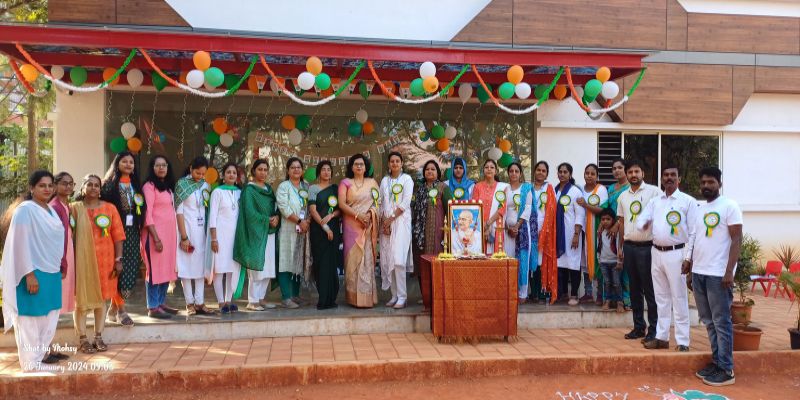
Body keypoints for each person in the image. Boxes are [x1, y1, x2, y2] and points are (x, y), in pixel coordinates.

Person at [1, 171, 65, 370]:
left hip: (51, 271)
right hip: (32, 271)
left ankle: (39, 358)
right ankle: (30, 363)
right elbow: (20, 244)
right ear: (32, 188)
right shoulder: (25, 210)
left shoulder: (51, 210)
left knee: (49, 314)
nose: (47, 189)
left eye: (50, 185)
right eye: (41, 185)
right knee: (30, 316)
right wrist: (29, 274)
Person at [684, 167, 742, 387]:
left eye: (711, 182)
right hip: (700, 273)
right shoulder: (700, 209)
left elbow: (736, 239)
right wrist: (690, 268)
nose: (706, 186)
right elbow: (695, 238)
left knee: (721, 322)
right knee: (708, 321)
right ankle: (717, 362)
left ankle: (726, 369)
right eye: (703, 182)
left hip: (718, 275)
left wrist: (729, 271)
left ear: (720, 184)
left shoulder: (730, 206)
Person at [637, 166, 697, 351]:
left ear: (679, 179)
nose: (669, 178)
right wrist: (643, 224)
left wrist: (688, 258)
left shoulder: (688, 201)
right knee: (661, 298)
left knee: (679, 298)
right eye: (666, 175)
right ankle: (661, 337)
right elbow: (641, 220)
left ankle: (683, 341)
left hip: (677, 254)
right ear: (662, 179)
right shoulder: (655, 201)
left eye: (673, 175)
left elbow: (694, 232)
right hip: (656, 252)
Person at [71, 174, 125, 354]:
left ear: (100, 190)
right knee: (81, 300)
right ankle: (82, 338)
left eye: (97, 185)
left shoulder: (110, 208)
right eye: (90, 184)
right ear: (82, 188)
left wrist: (118, 259)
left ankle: (98, 336)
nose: (93, 188)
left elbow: (118, 236)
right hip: (81, 261)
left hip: (105, 261)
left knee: (101, 299)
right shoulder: (74, 208)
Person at [617, 159, 661, 341]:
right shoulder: (622, 196)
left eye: (637, 171)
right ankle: (638, 327)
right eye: (630, 172)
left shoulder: (654, 192)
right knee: (634, 289)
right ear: (626, 175)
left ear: (643, 173)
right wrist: (620, 247)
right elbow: (621, 223)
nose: (633, 175)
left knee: (650, 289)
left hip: (648, 247)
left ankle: (654, 329)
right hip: (629, 247)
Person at [100, 151, 143, 326]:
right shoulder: (108, 186)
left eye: (131, 162)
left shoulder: (136, 185)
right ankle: (122, 310)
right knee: (117, 268)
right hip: (113, 233)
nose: (128, 164)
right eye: (124, 161)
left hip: (132, 233)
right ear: (117, 164)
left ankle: (113, 307)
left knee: (129, 268)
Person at [233, 159, 280, 311]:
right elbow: (249, 213)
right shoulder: (249, 190)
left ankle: (261, 298)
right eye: (260, 169)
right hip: (255, 233)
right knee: (256, 267)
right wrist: (267, 220)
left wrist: (276, 217)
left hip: (269, 232)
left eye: (265, 170)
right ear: (253, 171)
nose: (263, 172)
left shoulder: (269, 189)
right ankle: (252, 301)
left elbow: (275, 207)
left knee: (268, 268)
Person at [338, 154, 380, 308]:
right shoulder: (345, 183)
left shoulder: (372, 182)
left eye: (362, 164)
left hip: (367, 225)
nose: (359, 166)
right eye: (356, 164)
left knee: (366, 260)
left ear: (366, 167)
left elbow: (378, 201)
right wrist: (358, 215)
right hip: (351, 226)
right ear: (351, 166)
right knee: (353, 261)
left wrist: (370, 214)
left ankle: (366, 298)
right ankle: (353, 298)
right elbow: (342, 204)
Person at [141, 156, 179, 320]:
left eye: (164, 165)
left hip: (169, 237)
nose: (161, 168)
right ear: (152, 168)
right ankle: (153, 306)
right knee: (154, 271)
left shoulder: (168, 187)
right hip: (154, 236)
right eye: (158, 165)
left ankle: (161, 302)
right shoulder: (149, 187)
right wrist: (155, 238)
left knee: (166, 270)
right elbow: (147, 214)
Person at [175, 156, 214, 315]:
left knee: (199, 268)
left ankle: (200, 302)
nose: (200, 176)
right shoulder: (181, 184)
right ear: (191, 168)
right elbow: (179, 212)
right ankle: (189, 303)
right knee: (186, 267)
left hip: (201, 233)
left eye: (203, 174)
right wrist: (184, 237)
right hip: (187, 230)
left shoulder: (206, 185)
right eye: (198, 173)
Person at [411, 160, 450, 310]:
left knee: (436, 261)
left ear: (438, 172)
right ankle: (425, 296)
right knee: (421, 262)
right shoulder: (419, 189)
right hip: (420, 233)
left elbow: (450, 209)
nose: (430, 171)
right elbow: (412, 208)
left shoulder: (443, 188)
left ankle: (437, 296)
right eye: (427, 169)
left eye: (433, 169)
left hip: (437, 233)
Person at [379, 151, 414, 309]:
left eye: (397, 161)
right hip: (387, 225)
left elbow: (405, 202)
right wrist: (384, 223)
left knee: (399, 260)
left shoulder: (407, 179)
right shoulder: (384, 181)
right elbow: (380, 202)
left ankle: (402, 296)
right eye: (392, 161)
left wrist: (391, 219)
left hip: (401, 223)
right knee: (389, 260)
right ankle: (394, 295)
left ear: (402, 163)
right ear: (388, 164)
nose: (394, 163)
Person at [277, 157, 311, 308]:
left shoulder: (306, 186)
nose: (296, 170)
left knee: (298, 261)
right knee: (286, 262)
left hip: (303, 230)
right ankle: (286, 297)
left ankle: (295, 295)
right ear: (288, 170)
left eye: (299, 167)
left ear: (302, 170)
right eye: (293, 167)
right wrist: (299, 221)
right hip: (288, 230)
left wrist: (307, 221)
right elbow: (283, 207)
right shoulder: (284, 186)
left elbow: (311, 206)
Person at [208, 162, 242, 314]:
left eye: (234, 173)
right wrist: (214, 239)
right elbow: (212, 216)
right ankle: (221, 302)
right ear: (223, 175)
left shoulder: (240, 192)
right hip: (220, 236)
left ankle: (229, 300)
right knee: (219, 269)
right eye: (228, 172)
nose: (231, 175)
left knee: (231, 270)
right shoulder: (217, 192)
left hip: (236, 238)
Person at [309, 160, 342, 310]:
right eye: (323, 169)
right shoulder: (313, 188)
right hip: (319, 230)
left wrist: (332, 215)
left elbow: (341, 209)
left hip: (334, 230)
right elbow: (313, 210)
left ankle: (331, 299)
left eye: (329, 169)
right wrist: (325, 227)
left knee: (332, 264)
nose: (326, 172)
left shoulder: (336, 189)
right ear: (319, 172)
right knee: (321, 264)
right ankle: (322, 299)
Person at [503, 162, 537, 303]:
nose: (514, 173)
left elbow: (528, 209)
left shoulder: (526, 188)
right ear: (508, 173)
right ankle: (510, 291)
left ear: (521, 173)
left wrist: (516, 226)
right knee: (509, 260)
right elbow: (502, 209)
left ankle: (522, 293)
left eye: (516, 171)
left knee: (522, 261)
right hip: (507, 231)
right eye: (511, 171)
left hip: (522, 230)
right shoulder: (505, 189)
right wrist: (507, 227)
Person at [554, 163, 585, 305]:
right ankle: (563, 293)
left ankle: (574, 295)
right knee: (560, 264)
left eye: (565, 172)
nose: (562, 174)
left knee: (573, 264)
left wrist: (577, 234)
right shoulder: (554, 190)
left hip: (572, 233)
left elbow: (580, 214)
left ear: (570, 174)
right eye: (560, 172)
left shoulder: (575, 191)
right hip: (558, 234)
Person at [577, 164, 608, 305]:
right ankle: (588, 293)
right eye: (587, 173)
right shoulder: (579, 190)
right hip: (583, 231)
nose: (589, 176)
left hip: (596, 231)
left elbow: (603, 210)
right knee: (584, 261)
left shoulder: (601, 190)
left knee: (598, 260)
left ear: (597, 176)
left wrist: (586, 205)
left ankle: (600, 294)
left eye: (592, 173)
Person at [606, 158, 632, 311]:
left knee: (625, 266)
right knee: (612, 265)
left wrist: (617, 225)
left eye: (620, 168)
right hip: (611, 232)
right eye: (614, 168)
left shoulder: (630, 188)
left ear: (625, 169)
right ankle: (615, 299)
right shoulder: (610, 188)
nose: (617, 171)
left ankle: (627, 300)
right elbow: (607, 209)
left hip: (626, 229)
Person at [50, 172, 76, 316]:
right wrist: (62, 262)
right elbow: (56, 238)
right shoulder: (55, 207)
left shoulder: (65, 205)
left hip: (68, 251)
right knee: (58, 293)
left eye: (71, 183)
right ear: (55, 186)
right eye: (64, 183)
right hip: (61, 254)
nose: (68, 186)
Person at [471, 159, 508, 255]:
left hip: (496, 226)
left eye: (492, 167)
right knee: (480, 256)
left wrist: (488, 224)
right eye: (486, 167)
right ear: (483, 170)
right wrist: (484, 226)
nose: (489, 169)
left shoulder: (502, 188)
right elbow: (474, 207)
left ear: (496, 171)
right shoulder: (477, 187)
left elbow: (502, 209)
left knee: (496, 257)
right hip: (480, 227)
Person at [532, 161, 557, 303]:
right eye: (538, 170)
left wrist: (545, 229)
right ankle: (533, 292)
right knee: (533, 261)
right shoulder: (528, 188)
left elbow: (552, 209)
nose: (540, 173)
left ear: (547, 174)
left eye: (543, 171)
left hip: (546, 230)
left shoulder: (549, 188)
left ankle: (543, 291)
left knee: (543, 260)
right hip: (530, 230)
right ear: (534, 171)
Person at [596, 208, 623, 312]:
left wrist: (620, 261)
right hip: (603, 262)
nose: (605, 221)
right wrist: (599, 259)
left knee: (616, 283)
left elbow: (620, 247)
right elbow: (598, 246)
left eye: (608, 219)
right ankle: (607, 300)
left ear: (613, 220)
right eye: (603, 219)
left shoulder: (616, 232)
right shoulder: (600, 232)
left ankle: (619, 302)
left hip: (615, 262)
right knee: (607, 282)